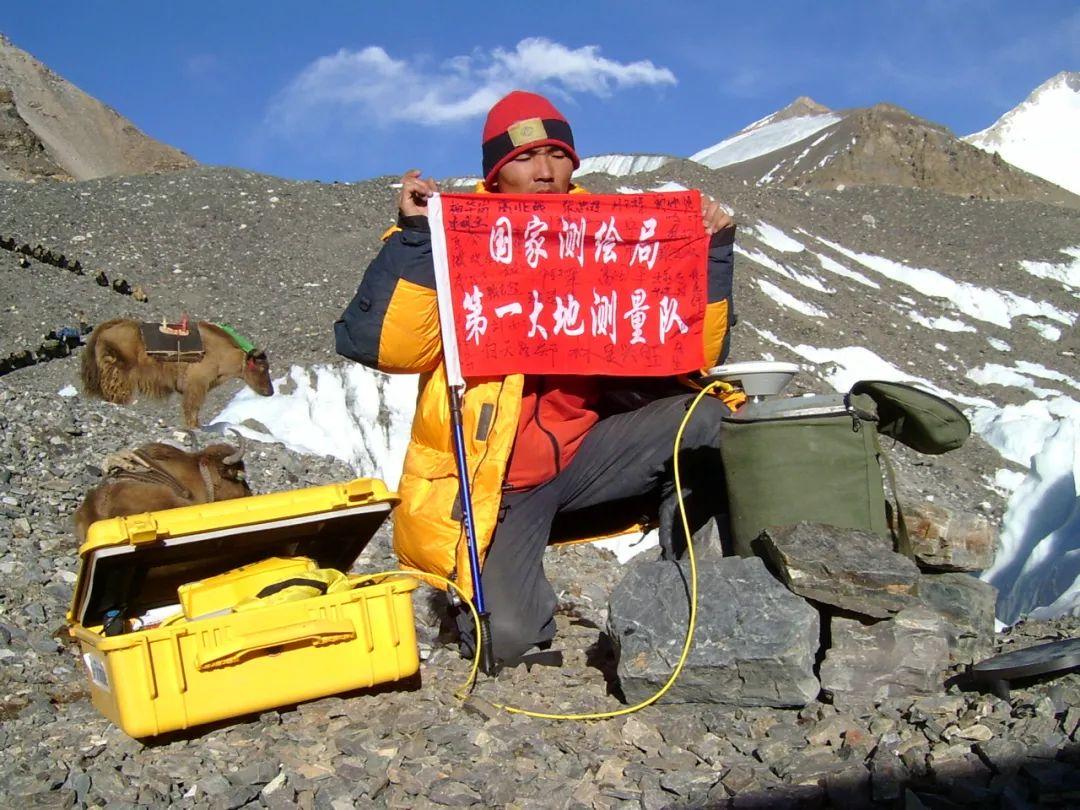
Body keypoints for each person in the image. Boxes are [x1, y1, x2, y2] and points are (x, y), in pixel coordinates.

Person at [335, 90, 737, 666]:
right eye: (523, 159)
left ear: (575, 162)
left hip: (583, 458)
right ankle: (496, 596)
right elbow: (389, 348)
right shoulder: (451, 239)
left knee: (713, 420)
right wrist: (418, 237)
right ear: (495, 174)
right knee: (505, 641)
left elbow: (692, 350)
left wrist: (713, 251)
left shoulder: (616, 239)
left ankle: (695, 594)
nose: (545, 172)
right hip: (495, 486)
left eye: (557, 154)